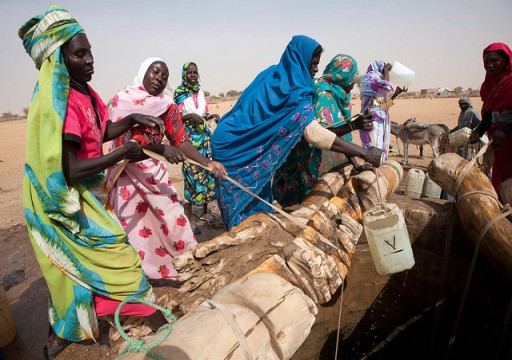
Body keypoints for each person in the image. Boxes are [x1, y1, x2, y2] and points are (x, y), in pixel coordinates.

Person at [19, 6, 170, 358]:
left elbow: (100, 131)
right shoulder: (63, 102)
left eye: (90, 51)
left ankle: (66, 330)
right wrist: (122, 153)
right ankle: (143, 315)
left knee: (77, 267)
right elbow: (70, 169)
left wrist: (131, 118)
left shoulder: (84, 93)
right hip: (66, 198)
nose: (90, 60)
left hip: (86, 192)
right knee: (110, 255)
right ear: (60, 57)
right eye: (79, 53)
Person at [211, 35, 382, 229]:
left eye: (317, 64)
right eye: (313, 64)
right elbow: (315, 134)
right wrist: (364, 152)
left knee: (258, 202)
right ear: (300, 61)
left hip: (228, 139)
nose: (316, 69)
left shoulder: (271, 75)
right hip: (233, 149)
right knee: (240, 207)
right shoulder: (297, 93)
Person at [107, 58, 226, 279]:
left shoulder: (167, 106)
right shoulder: (122, 100)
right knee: (135, 229)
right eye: (155, 72)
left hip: (153, 175)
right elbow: (124, 146)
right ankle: (144, 279)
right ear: (143, 72)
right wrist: (162, 149)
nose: (160, 78)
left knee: (173, 217)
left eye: (164, 76)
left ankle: (183, 269)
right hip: (126, 175)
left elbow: (181, 140)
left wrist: (207, 163)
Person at [272, 53, 375, 207]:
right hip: (308, 153)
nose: (354, 84)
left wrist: (356, 165)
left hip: (320, 151)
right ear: (343, 77)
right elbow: (324, 134)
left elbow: (343, 136)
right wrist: (354, 126)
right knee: (307, 201)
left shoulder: (337, 93)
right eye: (352, 79)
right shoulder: (322, 92)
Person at [174, 62, 220, 234]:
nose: (193, 75)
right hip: (189, 142)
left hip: (204, 139)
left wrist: (212, 116)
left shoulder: (199, 92)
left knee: (208, 173)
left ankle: (206, 213)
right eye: (190, 72)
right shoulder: (179, 93)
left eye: (195, 72)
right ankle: (190, 216)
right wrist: (190, 117)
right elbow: (175, 118)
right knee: (192, 176)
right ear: (185, 74)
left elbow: (203, 114)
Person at [469, 42, 512, 197]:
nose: (490, 65)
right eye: (486, 62)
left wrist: (506, 130)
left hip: (508, 136)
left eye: (495, 61)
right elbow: (488, 114)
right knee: (500, 174)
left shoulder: (510, 81)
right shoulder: (487, 85)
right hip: (499, 140)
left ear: (506, 60)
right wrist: (479, 131)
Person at [359, 61, 406, 160]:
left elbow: (381, 107)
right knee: (374, 154)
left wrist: (396, 93)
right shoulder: (369, 79)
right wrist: (385, 70)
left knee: (375, 155)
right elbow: (385, 86)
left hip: (376, 124)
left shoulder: (375, 89)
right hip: (372, 125)